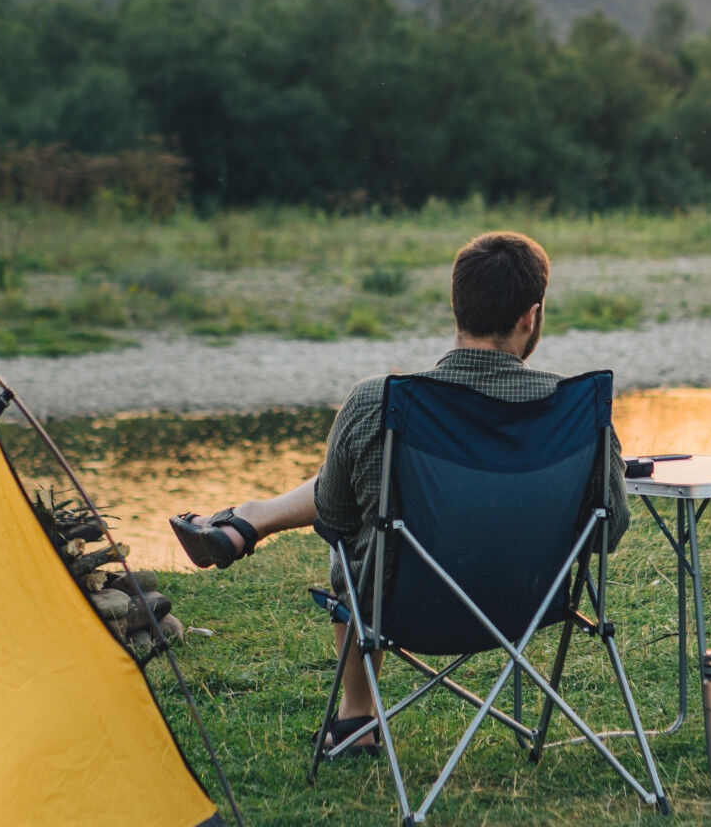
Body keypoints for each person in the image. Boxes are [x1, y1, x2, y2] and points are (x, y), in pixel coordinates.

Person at [169, 231, 629, 754]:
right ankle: (250, 520)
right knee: (369, 490)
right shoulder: (581, 415)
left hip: (403, 610)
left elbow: (336, 517)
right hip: (529, 608)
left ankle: (356, 717)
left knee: (357, 522)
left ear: (457, 307)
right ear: (531, 315)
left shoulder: (377, 404)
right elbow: (607, 532)